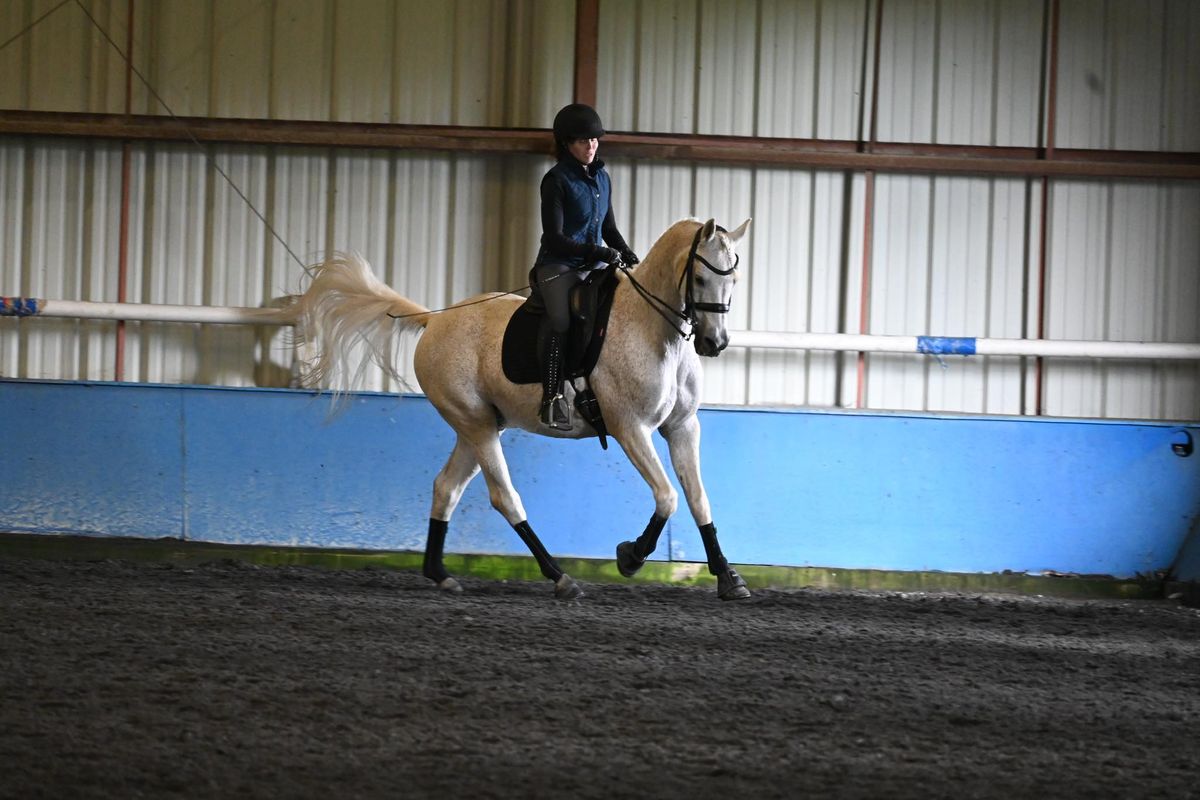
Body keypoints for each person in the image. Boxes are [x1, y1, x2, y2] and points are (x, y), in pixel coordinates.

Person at [532, 103, 639, 430]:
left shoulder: (602, 179)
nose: (590, 146)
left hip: (593, 266)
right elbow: (556, 237)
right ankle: (552, 398)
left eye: (594, 139)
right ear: (566, 144)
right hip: (558, 266)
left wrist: (628, 253)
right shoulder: (555, 181)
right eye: (582, 141)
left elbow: (609, 230)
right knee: (561, 320)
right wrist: (600, 252)